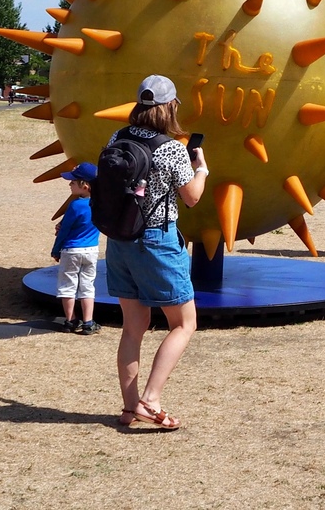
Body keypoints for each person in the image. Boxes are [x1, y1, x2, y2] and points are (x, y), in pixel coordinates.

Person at [106, 75, 208, 430]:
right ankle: (150, 400)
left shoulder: (117, 138)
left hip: (120, 240)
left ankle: (129, 407)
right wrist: (202, 169)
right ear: (170, 106)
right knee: (184, 323)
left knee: (133, 327)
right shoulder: (171, 148)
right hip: (157, 241)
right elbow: (192, 197)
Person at [51, 162, 101, 334]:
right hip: (91, 250)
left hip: (71, 250)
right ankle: (88, 322)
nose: (69, 184)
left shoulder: (75, 205)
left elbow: (64, 230)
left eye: (73, 182)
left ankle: (71, 320)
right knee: (88, 286)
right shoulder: (100, 204)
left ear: (85, 186)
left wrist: (56, 250)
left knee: (67, 286)